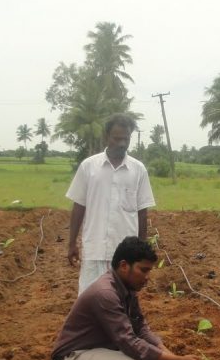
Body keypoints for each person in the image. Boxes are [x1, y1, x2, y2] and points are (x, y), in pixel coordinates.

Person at [51, 236, 205, 360]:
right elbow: (129, 342)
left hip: (93, 354)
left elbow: (140, 328)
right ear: (124, 266)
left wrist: (168, 353)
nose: (147, 277)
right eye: (144, 270)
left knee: (153, 358)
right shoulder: (105, 293)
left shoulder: (125, 289)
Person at [66, 114, 155, 294]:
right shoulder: (88, 167)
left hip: (125, 255)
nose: (122, 143)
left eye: (126, 139)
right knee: (89, 299)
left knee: (123, 301)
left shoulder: (138, 170)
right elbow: (79, 206)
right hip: (95, 249)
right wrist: (71, 243)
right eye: (117, 138)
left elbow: (142, 212)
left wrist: (141, 251)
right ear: (106, 137)